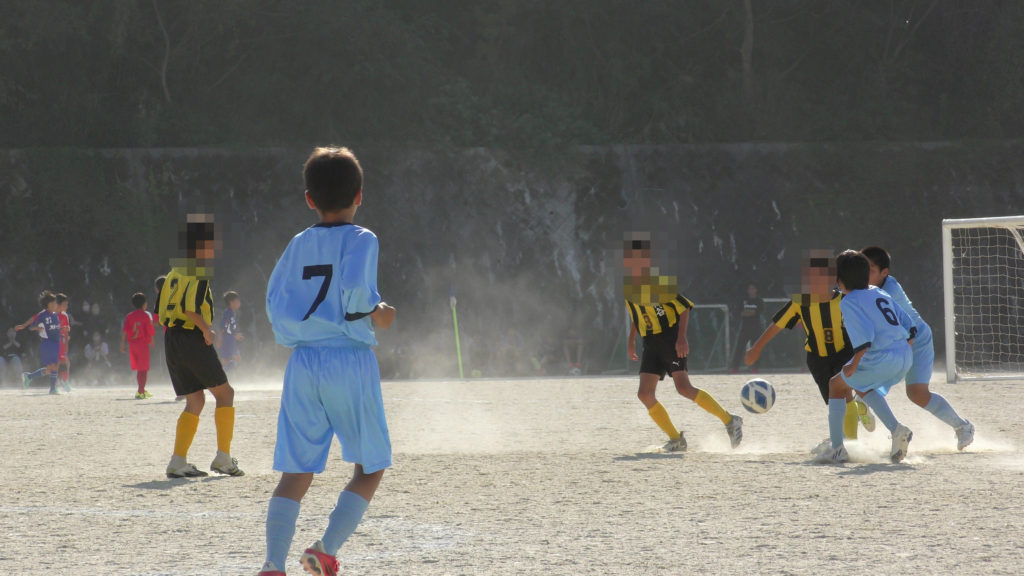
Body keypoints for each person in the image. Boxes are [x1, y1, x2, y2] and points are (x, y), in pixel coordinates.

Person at [259, 147, 397, 576]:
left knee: (295, 471)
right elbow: (356, 293)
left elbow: (275, 301)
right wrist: (380, 312)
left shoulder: (298, 243)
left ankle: (272, 564)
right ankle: (326, 549)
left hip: (302, 361)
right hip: (348, 358)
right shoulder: (362, 238)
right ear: (360, 195)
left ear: (309, 199)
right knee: (370, 466)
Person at [623, 232, 742, 452]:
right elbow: (636, 317)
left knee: (684, 388)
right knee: (644, 394)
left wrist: (681, 338)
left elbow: (685, 306)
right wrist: (631, 341)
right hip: (650, 343)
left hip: (670, 338)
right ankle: (676, 439)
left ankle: (730, 421)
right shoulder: (629, 288)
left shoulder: (658, 283)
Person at [744, 251, 874, 446]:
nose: (815, 282)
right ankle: (855, 416)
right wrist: (756, 348)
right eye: (811, 278)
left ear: (832, 278)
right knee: (834, 400)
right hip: (817, 358)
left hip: (843, 352)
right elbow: (777, 325)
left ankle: (849, 443)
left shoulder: (844, 300)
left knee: (844, 394)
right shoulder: (801, 302)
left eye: (820, 277)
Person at [861, 245, 974, 450]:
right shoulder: (864, 288)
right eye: (861, 268)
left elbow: (898, 328)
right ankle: (863, 410)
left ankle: (963, 427)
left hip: (916, 340)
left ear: (884, 273)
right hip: (895, 342)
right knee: (863, 383)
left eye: (869, 269)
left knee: (917, 394)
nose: (862, 274)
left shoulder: (888, 291)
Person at [158, 213, 244, 478]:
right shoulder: (197, 270)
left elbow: (162, 310)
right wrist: (206, 330)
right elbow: (190, 308)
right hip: (191, 336)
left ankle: (178, 461)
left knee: (195, 399)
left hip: (172, 338)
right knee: (225, 394)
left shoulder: (174, 272)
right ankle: (223, 458)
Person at [815, 250, 916, 464]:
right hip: (905, 355)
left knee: (835, 385)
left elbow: (865, 337)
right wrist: (900, 348)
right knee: (860, 384)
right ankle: (896, 430)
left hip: (881, 357)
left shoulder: (849, 301)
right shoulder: (879, 292)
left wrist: (854, 364)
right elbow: (909, 323)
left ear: (840, 281)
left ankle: (837, 448)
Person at [15, 291, 63, 394]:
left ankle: (29, 377)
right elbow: (32, 324)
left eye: (55, 303)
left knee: (49, 369)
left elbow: (56, 328)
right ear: (48, 304)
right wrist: (29, 327)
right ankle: (52, 389)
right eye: (53, 303)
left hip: (56, 344)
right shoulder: (42, 315)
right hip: (47, 344)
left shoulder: (56, 315)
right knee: (54, 366)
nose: (55, 305)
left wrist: (63, 330)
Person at [121, 292, 156, 399]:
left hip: (132, 345)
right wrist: (152, 342)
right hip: (142, 345)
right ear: (144, 304)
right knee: (143, 369)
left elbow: (125, 331)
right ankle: (141, 391)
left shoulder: (129, 316)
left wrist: (122, 344)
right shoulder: (145, 315)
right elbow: (150, 330)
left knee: (139, 369)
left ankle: (142, 389)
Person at [730, 282, 764, 372]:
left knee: (755, 348)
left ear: (756, 290)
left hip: (756, 328)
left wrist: (749, 312)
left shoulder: (759, 301)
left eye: (753, 288)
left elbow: (758, 312)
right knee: (739, 348)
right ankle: (735, 368)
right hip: (745, 328)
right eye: (749, 289)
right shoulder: (743, 300)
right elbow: (739, 312)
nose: (751, 291)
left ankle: (755, 367)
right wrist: (749, 313)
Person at [217, 291, 244, 372]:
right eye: (237, 301)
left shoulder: (232, 313)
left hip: (230, 340)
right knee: (229, 360)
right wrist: (220, 340)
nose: (239, 303)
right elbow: (222, 327)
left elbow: (229, 328)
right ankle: (224, 374)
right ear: (231, 302)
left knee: (235, 359)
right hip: (227, 341)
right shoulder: (227, 313)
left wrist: (235, 335)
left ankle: (227, 374)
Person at [56, 293, 73, 391]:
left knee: (66, 362)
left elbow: (66, 332)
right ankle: (56, 383)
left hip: (62, 343)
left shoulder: (65, 316)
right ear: (58, 304)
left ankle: (65, 382)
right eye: (65, 304)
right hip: (54, 343)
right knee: (57, 363)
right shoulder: (52, 316)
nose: (67, 306)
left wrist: (66, 345)